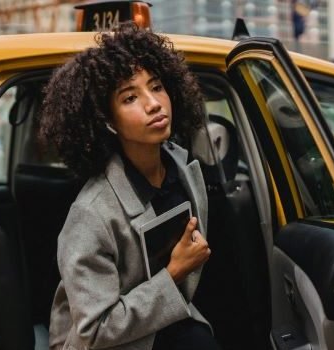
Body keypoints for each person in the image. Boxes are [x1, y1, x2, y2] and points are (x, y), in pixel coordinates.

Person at [40, 22, 220, 350]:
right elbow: (93, 331)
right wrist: (174, 273)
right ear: (107, 121)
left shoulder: (183, 169)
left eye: (156, 86)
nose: (153, 104)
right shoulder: (90, 214)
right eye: (130, 97)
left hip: (160, 323)